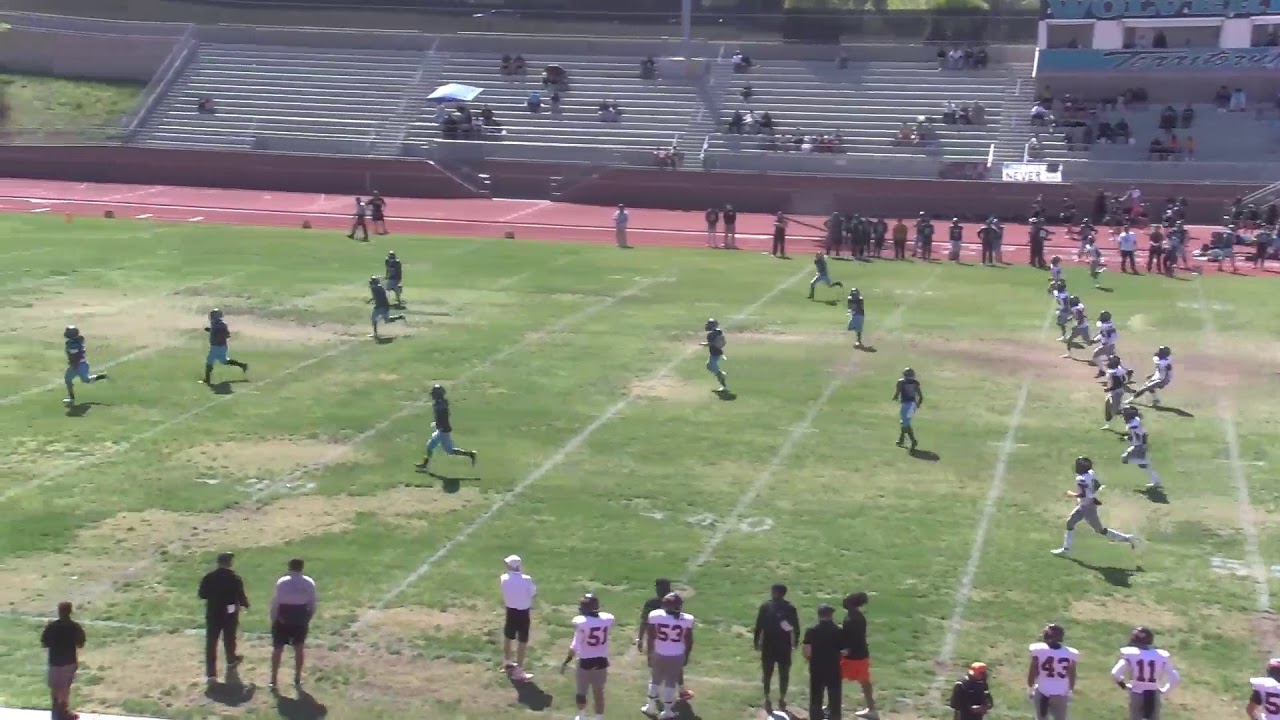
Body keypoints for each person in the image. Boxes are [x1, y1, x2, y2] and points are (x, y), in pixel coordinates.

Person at [1051, 457, 1138, 557]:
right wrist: (1093, 496)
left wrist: (1070, 494)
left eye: (1077, 466)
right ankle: (1066, 549)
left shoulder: (1080, 479)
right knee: (1070, 522)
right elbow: (1098, 486)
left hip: (1087, 508)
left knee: (1100, 530)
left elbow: (1082, 494)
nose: (1076, 467)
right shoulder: (1091, 473)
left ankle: (1128, 538)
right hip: (1085, 505)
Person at [198, 551, 249, 683]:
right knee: (229, 638)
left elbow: (202, 594)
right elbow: (240, 595)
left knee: (211, 642)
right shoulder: (234, 578)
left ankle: (211, 674)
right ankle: (231, 660)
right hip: (229, 612)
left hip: (213, 612)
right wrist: (245, 605)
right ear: (229, 563)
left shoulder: (209, 577)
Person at [642, 593, 695, 720]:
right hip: (676, 655)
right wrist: (687, 655)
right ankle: (666, 711)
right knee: (670, 683)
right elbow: (688, 640)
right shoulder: (687, 619)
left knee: (654, 680)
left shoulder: (655, 615)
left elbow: (651, 637)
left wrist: (649, 653)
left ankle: (650, 706)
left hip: (659, 652)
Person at [562, 593, 613, 720]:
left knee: (581, 692)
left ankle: (582, 716)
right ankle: (599, 717)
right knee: (599, 691)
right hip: (601, 661)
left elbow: (574, 647)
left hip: (585, 661)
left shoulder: (582, 624)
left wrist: (566, 661)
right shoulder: (606, 620)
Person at [1111, 626, 1179, 720]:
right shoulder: (1160, 655)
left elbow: (1115, 673)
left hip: (1137, 693)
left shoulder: (1130, 653)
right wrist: (1165, 690)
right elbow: (1175, 677)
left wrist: (1124, 686)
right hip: (1153, 693)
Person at [269, 558, 316, 691]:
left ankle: (273, 679)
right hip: (300, 617)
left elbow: (276, 603)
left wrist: (274, 619)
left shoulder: (282, 582)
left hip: (283, 617)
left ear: (289, 567)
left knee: (278, 649)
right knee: (299, 648)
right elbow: (312, 604)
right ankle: (297, 678)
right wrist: (307, 618)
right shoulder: (309, 582)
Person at [753, 583, 800, 714]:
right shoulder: (790, 608)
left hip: (768, 645)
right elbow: (795, 628)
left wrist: (756, 641)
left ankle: (767, 698)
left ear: (774, 592)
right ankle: (782, 698)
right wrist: (795, 642)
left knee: (767, 673)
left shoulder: (766, 606)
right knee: (784, 673)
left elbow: (759, 626)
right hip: (784, 645)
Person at [415, 384, 478, 470]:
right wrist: (437, 423)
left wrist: (440, 425)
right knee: (431, 446)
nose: (433, 395)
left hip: (443, 430)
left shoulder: (441, 405)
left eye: (434, 394)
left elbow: (444, 416)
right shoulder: (441, 403)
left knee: (448, 450)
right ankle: (425, 465)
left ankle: (471, 454)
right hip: (442, 429)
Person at [41, 601, 85, 720]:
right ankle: (63, 711)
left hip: (54, 661)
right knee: (65, 688)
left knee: (55, 688)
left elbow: (44, 643)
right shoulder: (74, 627)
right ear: (70, 611)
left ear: (59, 611)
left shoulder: (52, 627)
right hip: (69, 662)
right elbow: (81, 643)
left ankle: (56, 711)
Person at [1028, 623, 1077, 720]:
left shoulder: (1038, 649)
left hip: (1043, 690)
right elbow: (1072, 674)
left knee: (1041, 717)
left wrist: (1030, 685)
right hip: (1061, 692)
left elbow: (1034, 669)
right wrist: (1070, 689)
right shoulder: (1070, 653)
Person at [499, 554, 537, 681]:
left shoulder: (504, 578)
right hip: (523, 613)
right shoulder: (526, 579)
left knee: (508, 637)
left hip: (510, 611)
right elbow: (533, 593)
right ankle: (519, 670)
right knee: (522, 641)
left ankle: (507, 663)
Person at [803, 604, 843, 720]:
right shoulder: (838, 631)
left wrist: (809, 660)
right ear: (831, 615)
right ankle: (834, 715)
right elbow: (843, 650)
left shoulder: (811, 631)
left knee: (816, 694)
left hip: (817, 666)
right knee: (834, 694)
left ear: (819, 615)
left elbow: (807, 650)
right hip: (834, 666)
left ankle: (816, 716)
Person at [842, 592, 878, 719]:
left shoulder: (851, 619)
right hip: (860, 654)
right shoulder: (857, 617)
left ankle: (832, 706)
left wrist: (846, 650)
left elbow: (852, 638)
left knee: (834, 678)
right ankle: (871, 709)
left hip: (852, 656)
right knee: (865, 682)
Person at [61, 325, 108, 407]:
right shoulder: (75, 341)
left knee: (86, 380)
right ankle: (71, 397)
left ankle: (102, 376)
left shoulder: (73, 344)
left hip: (79, 365)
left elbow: (76, 356)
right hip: (77, 364)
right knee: (67, 379)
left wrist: (74, 365)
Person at [202, 309, 249, 386]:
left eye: (212, 315)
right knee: (224, 361)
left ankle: (207, 380)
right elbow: (224, 334)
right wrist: (211, 330)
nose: (210, 316)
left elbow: (225, 334)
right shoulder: (218, 323)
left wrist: (213, 332)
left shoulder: (219, 324)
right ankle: (242, 365)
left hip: (217, 346)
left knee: (209, 361)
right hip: (221, 346)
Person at [893, 368, 923, 450]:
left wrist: (895, 396)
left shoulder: (901, 382)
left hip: (910, 405)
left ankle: (911, 440)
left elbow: (897, 392)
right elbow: (920, 396)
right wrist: (918, 404)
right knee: (904, 423)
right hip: (908, 404)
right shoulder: (914, 383)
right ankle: (902, 440)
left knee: (905, 423)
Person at [701, 318, 729, 393]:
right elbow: (722, 342)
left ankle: (724, 385)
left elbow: (711, 343)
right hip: (717, 352)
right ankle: (722, 374)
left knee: (715, 371)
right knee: (709, 366)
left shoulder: (711, 334)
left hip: (715, 353)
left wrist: (703, 344)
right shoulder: (718, 331)